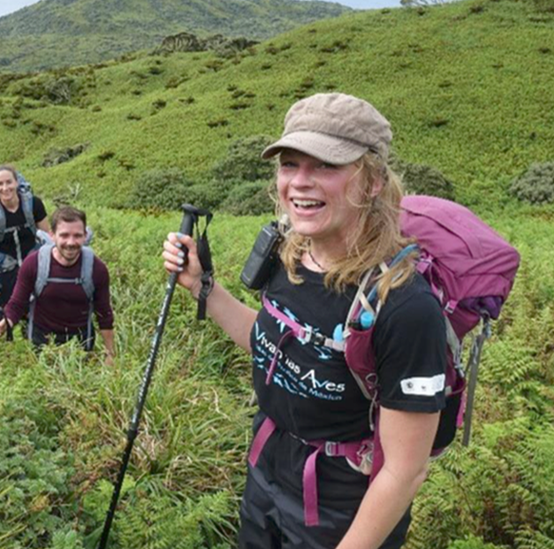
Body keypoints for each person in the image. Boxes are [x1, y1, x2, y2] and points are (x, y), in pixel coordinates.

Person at [162, 93, 447, 548]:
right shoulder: (290, 252)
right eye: (289, 164)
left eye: (325, 166)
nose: (299, 182)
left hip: (344, 503)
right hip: (268, 468)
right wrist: (202, 287)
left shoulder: (406, 307)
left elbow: (404, 470)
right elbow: (271, 341)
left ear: (371, 181)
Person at [0, 206, 115, 361]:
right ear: (52, 235)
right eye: (64, 235)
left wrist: (110, 354)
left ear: (85, 236)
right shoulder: (34, 263)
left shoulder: (97, 269)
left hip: (80, 344)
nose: (71, 242)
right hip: (40, 340)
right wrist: (3, 324)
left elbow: (104, 313)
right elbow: (17, 304)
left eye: (77, 236)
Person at [0, 164, 52, 307]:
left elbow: (47, 237)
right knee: (5, 313)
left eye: (9, 182)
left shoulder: (34, 204)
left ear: (16, 182)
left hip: (33, 262)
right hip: (5, 267)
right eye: (0, 184)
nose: (5, 188)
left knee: (41, 307)